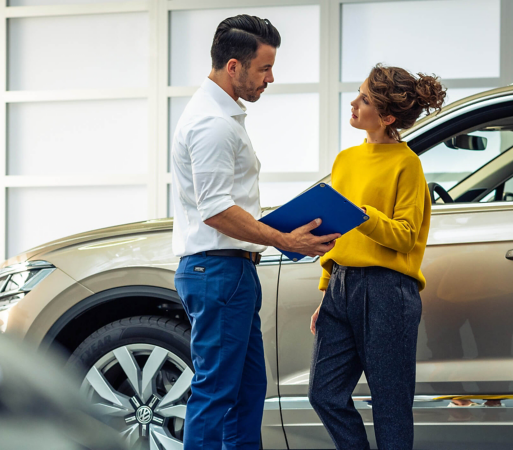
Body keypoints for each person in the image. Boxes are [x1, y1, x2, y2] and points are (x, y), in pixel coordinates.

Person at [170, 15, 341, 450]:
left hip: (232, 272)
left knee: (247, 394)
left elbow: (228, 204)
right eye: (264, 68)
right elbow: (216, 211)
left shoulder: (221, 115)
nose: (270, 78)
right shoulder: (212, 124)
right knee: (215, 393)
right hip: (219, 271)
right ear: (233, 66)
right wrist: (286, 240)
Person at [307, 63, 446, 450]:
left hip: (388, 292)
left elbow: (404, 237)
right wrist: (326, 291)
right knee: (324, 394)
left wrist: (362, 216)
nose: (353, 102)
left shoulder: (408, 165)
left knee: (390, 406)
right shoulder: (344, 160)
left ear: (386, 116)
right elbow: (335, 234)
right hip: (340, 287)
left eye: (364, 99)